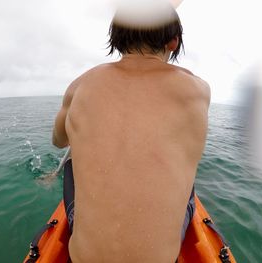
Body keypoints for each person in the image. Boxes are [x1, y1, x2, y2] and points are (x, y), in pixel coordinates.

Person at [52, 2, 210, 262]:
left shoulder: (80, 85)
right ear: (173, 41)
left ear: (117, 38)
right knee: (189, 187)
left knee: (69, 165)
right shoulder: (198, 90)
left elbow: (58, 141)